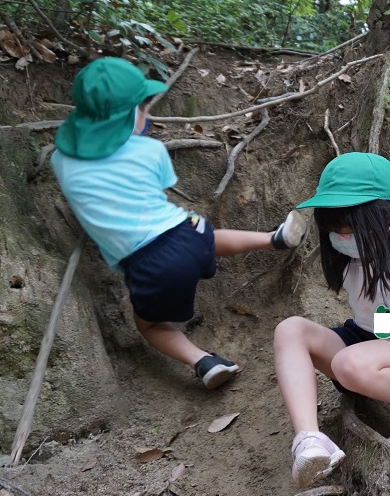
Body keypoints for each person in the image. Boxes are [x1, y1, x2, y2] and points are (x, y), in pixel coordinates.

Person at [51, 57, 306, 390]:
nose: (148, 116)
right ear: (126, 118)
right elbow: (155, 187)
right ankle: (273, 238)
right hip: (188, 232)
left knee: (150, 325)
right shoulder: (151, 150)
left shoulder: (61, 161)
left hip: (149, 265)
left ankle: (204, 362)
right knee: (209, 237)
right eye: (142, 109)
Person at [272, 152, 390, 487]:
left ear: (388, 215)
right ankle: (309, 439)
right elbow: (374, 320)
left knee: (348, 364)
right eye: (334, 230)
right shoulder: (350, 258)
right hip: (366, 338)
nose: (341, 238)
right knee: (290, 330)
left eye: (349, 229)